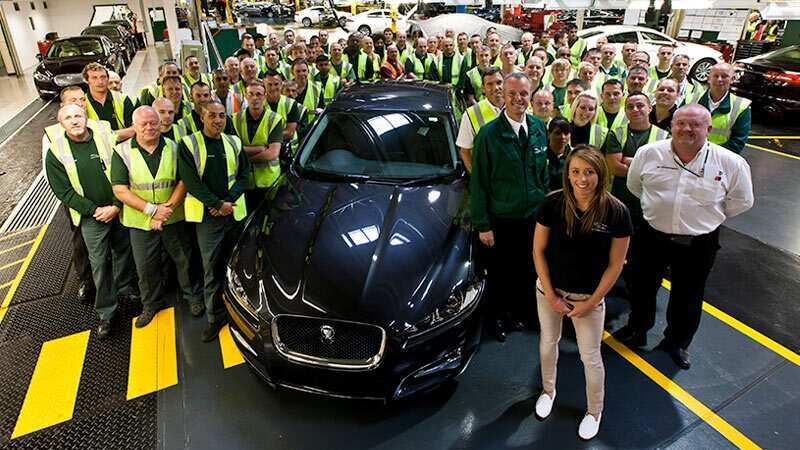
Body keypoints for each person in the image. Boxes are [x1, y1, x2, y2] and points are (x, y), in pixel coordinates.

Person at [615, 104, 754, 369]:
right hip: (652, 235)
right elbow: (635, 186)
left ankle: (677, 342)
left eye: (695, 125)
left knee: (688, 294)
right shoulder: (648, 154)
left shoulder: (731, 163)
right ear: (672, 126)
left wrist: (706, 217)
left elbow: (741, 201)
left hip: (698, 243)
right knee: (641, 285)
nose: (687, 129)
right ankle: (638, 328)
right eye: (681, 124)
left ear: (709, 129)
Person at [532, 145, 632, 440]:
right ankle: (548, 391)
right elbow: (538, 250)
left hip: (588, 299)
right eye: (575, 172)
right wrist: (550, 295)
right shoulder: (552, 204)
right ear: (567, 174)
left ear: (600, 174)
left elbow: (616, 265)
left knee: (590, 356)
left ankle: (594, 411)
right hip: (550, 292)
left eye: (589, 172)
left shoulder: (616, 212)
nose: (582, 179)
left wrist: (591, 302)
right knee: (548, 343)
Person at [46, 104, 138, 339]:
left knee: (124, 251)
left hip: (118, 208)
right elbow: (63, 191)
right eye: (68, 118)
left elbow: (126, 170)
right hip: (92, 217)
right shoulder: (55, 151)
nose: (74, 121)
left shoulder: (105, 138)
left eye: (78, 115)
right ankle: (107, 311)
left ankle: (126, 290)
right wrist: (96, 210)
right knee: (99, 263)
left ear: (86, 118)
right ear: (61, 124)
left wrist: (116, 206)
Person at [470, 73, 549, 341]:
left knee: (528, 268)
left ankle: (519, 313)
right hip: (502, 218)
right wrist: (483, 225)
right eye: (512, 93)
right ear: (503, 96)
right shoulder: (488, 135)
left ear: (531, 95)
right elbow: (478, 182)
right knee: (500, 274)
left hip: (532, 218)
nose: (518, 99)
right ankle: (497, 318)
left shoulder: (539, 127)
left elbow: (542, 173)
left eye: (523, 94)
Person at [111, 106, 204, 327]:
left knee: (184, 259)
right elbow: (120, 190)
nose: (149, 127)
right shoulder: (122, 152)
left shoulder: (174, 147)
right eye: (143, 124)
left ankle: (193, 298)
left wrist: (166, 210)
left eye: (153, 122)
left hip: (173, 217)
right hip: (141, 221)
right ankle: (151, 304)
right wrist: (152, 211)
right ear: (134, 127)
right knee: (145, 266)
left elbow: (183, 181)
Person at [177, 100, 252, 342]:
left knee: (238, 267)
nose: (217, 120)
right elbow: (192, 182)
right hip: (208, 219)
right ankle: (214, 316)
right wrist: (218, 205)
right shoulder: (188, 144)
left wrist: (227, 202)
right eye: (212, 115)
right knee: (211, 268)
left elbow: (244, 175)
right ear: (202, 117)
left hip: (233, 215)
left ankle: (240, 312)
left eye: (221, 115)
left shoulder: (233, 141)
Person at [605, 93, 670, 230]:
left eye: (640, 106)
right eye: (630, 107)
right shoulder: (616, 134)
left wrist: (628, 160)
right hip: (620, 199)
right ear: (625, 111)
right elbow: (615, 168)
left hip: (650, 201)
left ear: (649, 108)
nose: (635, 109)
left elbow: (663, 170)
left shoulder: (664, 136)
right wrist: (647, 168)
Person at [232, 79, 284, 209]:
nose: (255, 98)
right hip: (244, 181)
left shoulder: (274, 119)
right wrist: (260, 149)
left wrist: (246, 159)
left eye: (259, 94)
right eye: (251, 94)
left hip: (269, 181)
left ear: (265, 96)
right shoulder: (235, 119)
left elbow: (273, 153)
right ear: (245, 96)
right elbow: (233, 149)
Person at [693, 63, 751, 154]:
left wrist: (710, 155)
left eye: (724, 76)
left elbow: (738, 142)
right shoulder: (692, 99)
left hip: (719, 159)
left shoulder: (741, 106)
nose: (719, 79)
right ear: (708, 79)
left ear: (732, 79)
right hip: (690, 154)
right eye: (715, 76)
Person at [456, 67, 503, 173]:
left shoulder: (514, 108)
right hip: (488, 180)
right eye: (490, 84)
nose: (496, 87)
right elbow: (464, 151)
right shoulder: (471, 114)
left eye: (499, 82)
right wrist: (476, 178)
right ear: (483, 88)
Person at [83, 62, 135, 141]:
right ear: (87, 80)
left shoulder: (122, 99)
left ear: (107, 78)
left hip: (122, 147)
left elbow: (135, 129)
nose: (100, 81)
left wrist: (107, 136)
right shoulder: (81, 103)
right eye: (94, 78)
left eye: (103, 77)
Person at [545, 117, 571, 192]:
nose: (563, 137)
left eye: (566, 133)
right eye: (558, 133)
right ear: (549, 134)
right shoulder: (540, 155)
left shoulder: (574, 156)